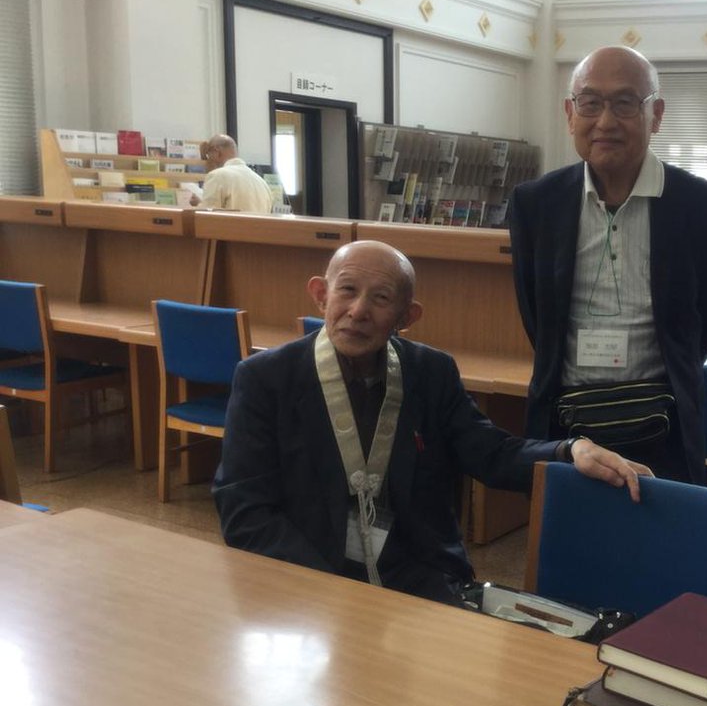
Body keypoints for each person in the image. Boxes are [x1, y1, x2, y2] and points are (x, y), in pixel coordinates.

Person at [213, 240, 648, 603]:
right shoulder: (265, 378)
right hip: (310, 575)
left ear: (407, 317)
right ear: (320, 294)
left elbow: (491, 453)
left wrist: (570, 450)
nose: (359, 310)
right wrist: (328, 590)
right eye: (346, 290)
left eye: (381, 299)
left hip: (416, 572)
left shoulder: (430, 372)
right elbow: (245, 511)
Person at [508, 45, 707, 484]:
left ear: (656, 114)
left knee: (660, 548)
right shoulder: (535, 204)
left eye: (625, 103)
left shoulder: (704, 206)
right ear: (570, 113)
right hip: (565, 428)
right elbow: (537, 317)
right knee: (569, 548)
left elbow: (705, 320)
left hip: (663, 426)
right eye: (590, 103)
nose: (605, 122)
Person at [194, 134, 274, 214]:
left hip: (229, 227)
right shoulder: (262, 183)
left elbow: (207, 218)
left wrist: (199, 206)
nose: (207, 162)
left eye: (208, 156)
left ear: (217, 152)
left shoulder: (217, 176)